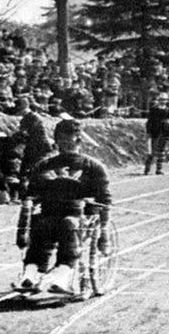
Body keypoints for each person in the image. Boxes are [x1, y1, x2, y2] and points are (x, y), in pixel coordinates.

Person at [16, 119, 112, 294]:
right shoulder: (44, 166)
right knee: (41, 224)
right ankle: (31, 272)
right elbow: (30, 195)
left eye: (71, 140)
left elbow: (104, 201)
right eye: (62, 140)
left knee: (68, 224)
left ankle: (62, 273)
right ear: (56, 141)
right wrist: (23, 224)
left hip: (80, 216)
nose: (66, 144)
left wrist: (103, 235)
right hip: (49, 213)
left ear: (79, 141)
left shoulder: (94, 167)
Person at [144, 93, 169, 175]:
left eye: (164, 100)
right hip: (155, 132)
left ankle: (159, 169)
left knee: (162, 151)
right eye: (161, 99)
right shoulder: (154, 109)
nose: (163, 101)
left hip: (164, 132)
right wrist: (148, 132)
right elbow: (149, 121)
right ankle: (147, 169)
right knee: (152, 152)